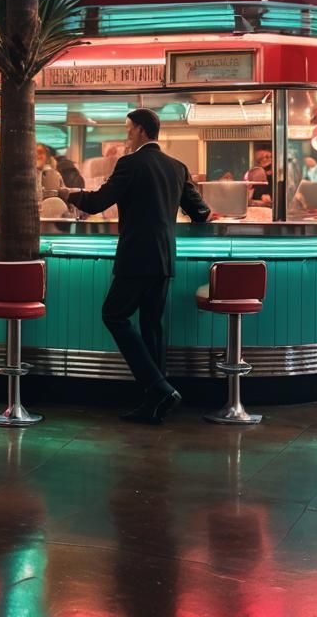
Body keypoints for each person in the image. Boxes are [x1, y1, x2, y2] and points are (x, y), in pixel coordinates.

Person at [61, 108, 209, 424]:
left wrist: (67, 194)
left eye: (128, 129)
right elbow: (200, 212)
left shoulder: (130, 163)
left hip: (136, 256)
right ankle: (153, 402)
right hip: (165, 257)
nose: (126, 135)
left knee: (113, 314)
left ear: (141, 130)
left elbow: (99, 201)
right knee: (151, 327)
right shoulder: (177, 167)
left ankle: (160, 387)